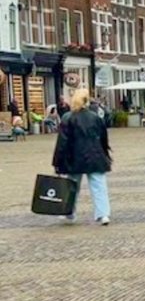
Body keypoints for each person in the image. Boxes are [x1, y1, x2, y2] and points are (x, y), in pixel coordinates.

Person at [52, 87, 113, 225]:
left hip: (74, 157)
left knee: (72, 186)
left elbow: (62, 142)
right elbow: (103, 137)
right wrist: (105, 153)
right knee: (99, 186)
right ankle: (103, 214)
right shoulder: (95, 117)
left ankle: (69, 212)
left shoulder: (68, 118)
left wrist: (58, 161)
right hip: (95, 155)